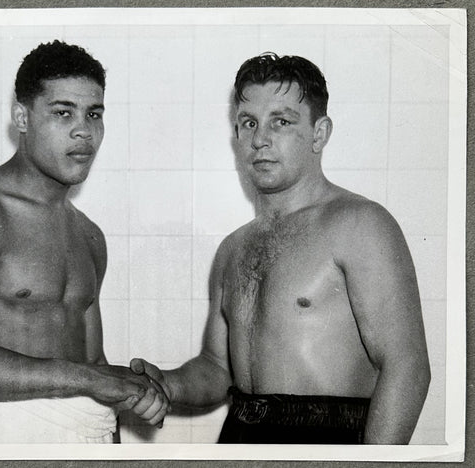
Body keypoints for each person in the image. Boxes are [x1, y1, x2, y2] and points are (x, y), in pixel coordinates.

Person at [130, 52, 431, 444]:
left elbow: (407, 367)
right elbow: (216, 368)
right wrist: (168, 385)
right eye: (249, 123)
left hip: (328, 439)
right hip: (239, 435)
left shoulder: (359, 224)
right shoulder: (233, 249)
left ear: (319, 134)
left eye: (282, 122)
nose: (260, 139)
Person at [0, 40, 168, 444]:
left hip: (93, 437)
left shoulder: (89, 235)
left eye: (94, 114)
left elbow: (91, 364)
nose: (83, 130)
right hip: (7, 436)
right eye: (62, 112)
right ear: (22, 116)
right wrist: (90, 379)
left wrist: (129, 392)